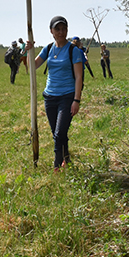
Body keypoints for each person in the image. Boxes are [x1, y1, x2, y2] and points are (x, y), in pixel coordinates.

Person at [33, 16, 84, 171]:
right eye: (57, 29)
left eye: (63, 29)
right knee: (57, 132)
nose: (61, 32)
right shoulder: (48, 49)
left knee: (59, 131)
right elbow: (32, 66)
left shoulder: (73, 50)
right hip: (50, 97)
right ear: (51, 31)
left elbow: (79, 77)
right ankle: (66, 158)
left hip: (67, 96)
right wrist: (27, 50)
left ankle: (56, 166)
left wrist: (76, 100)